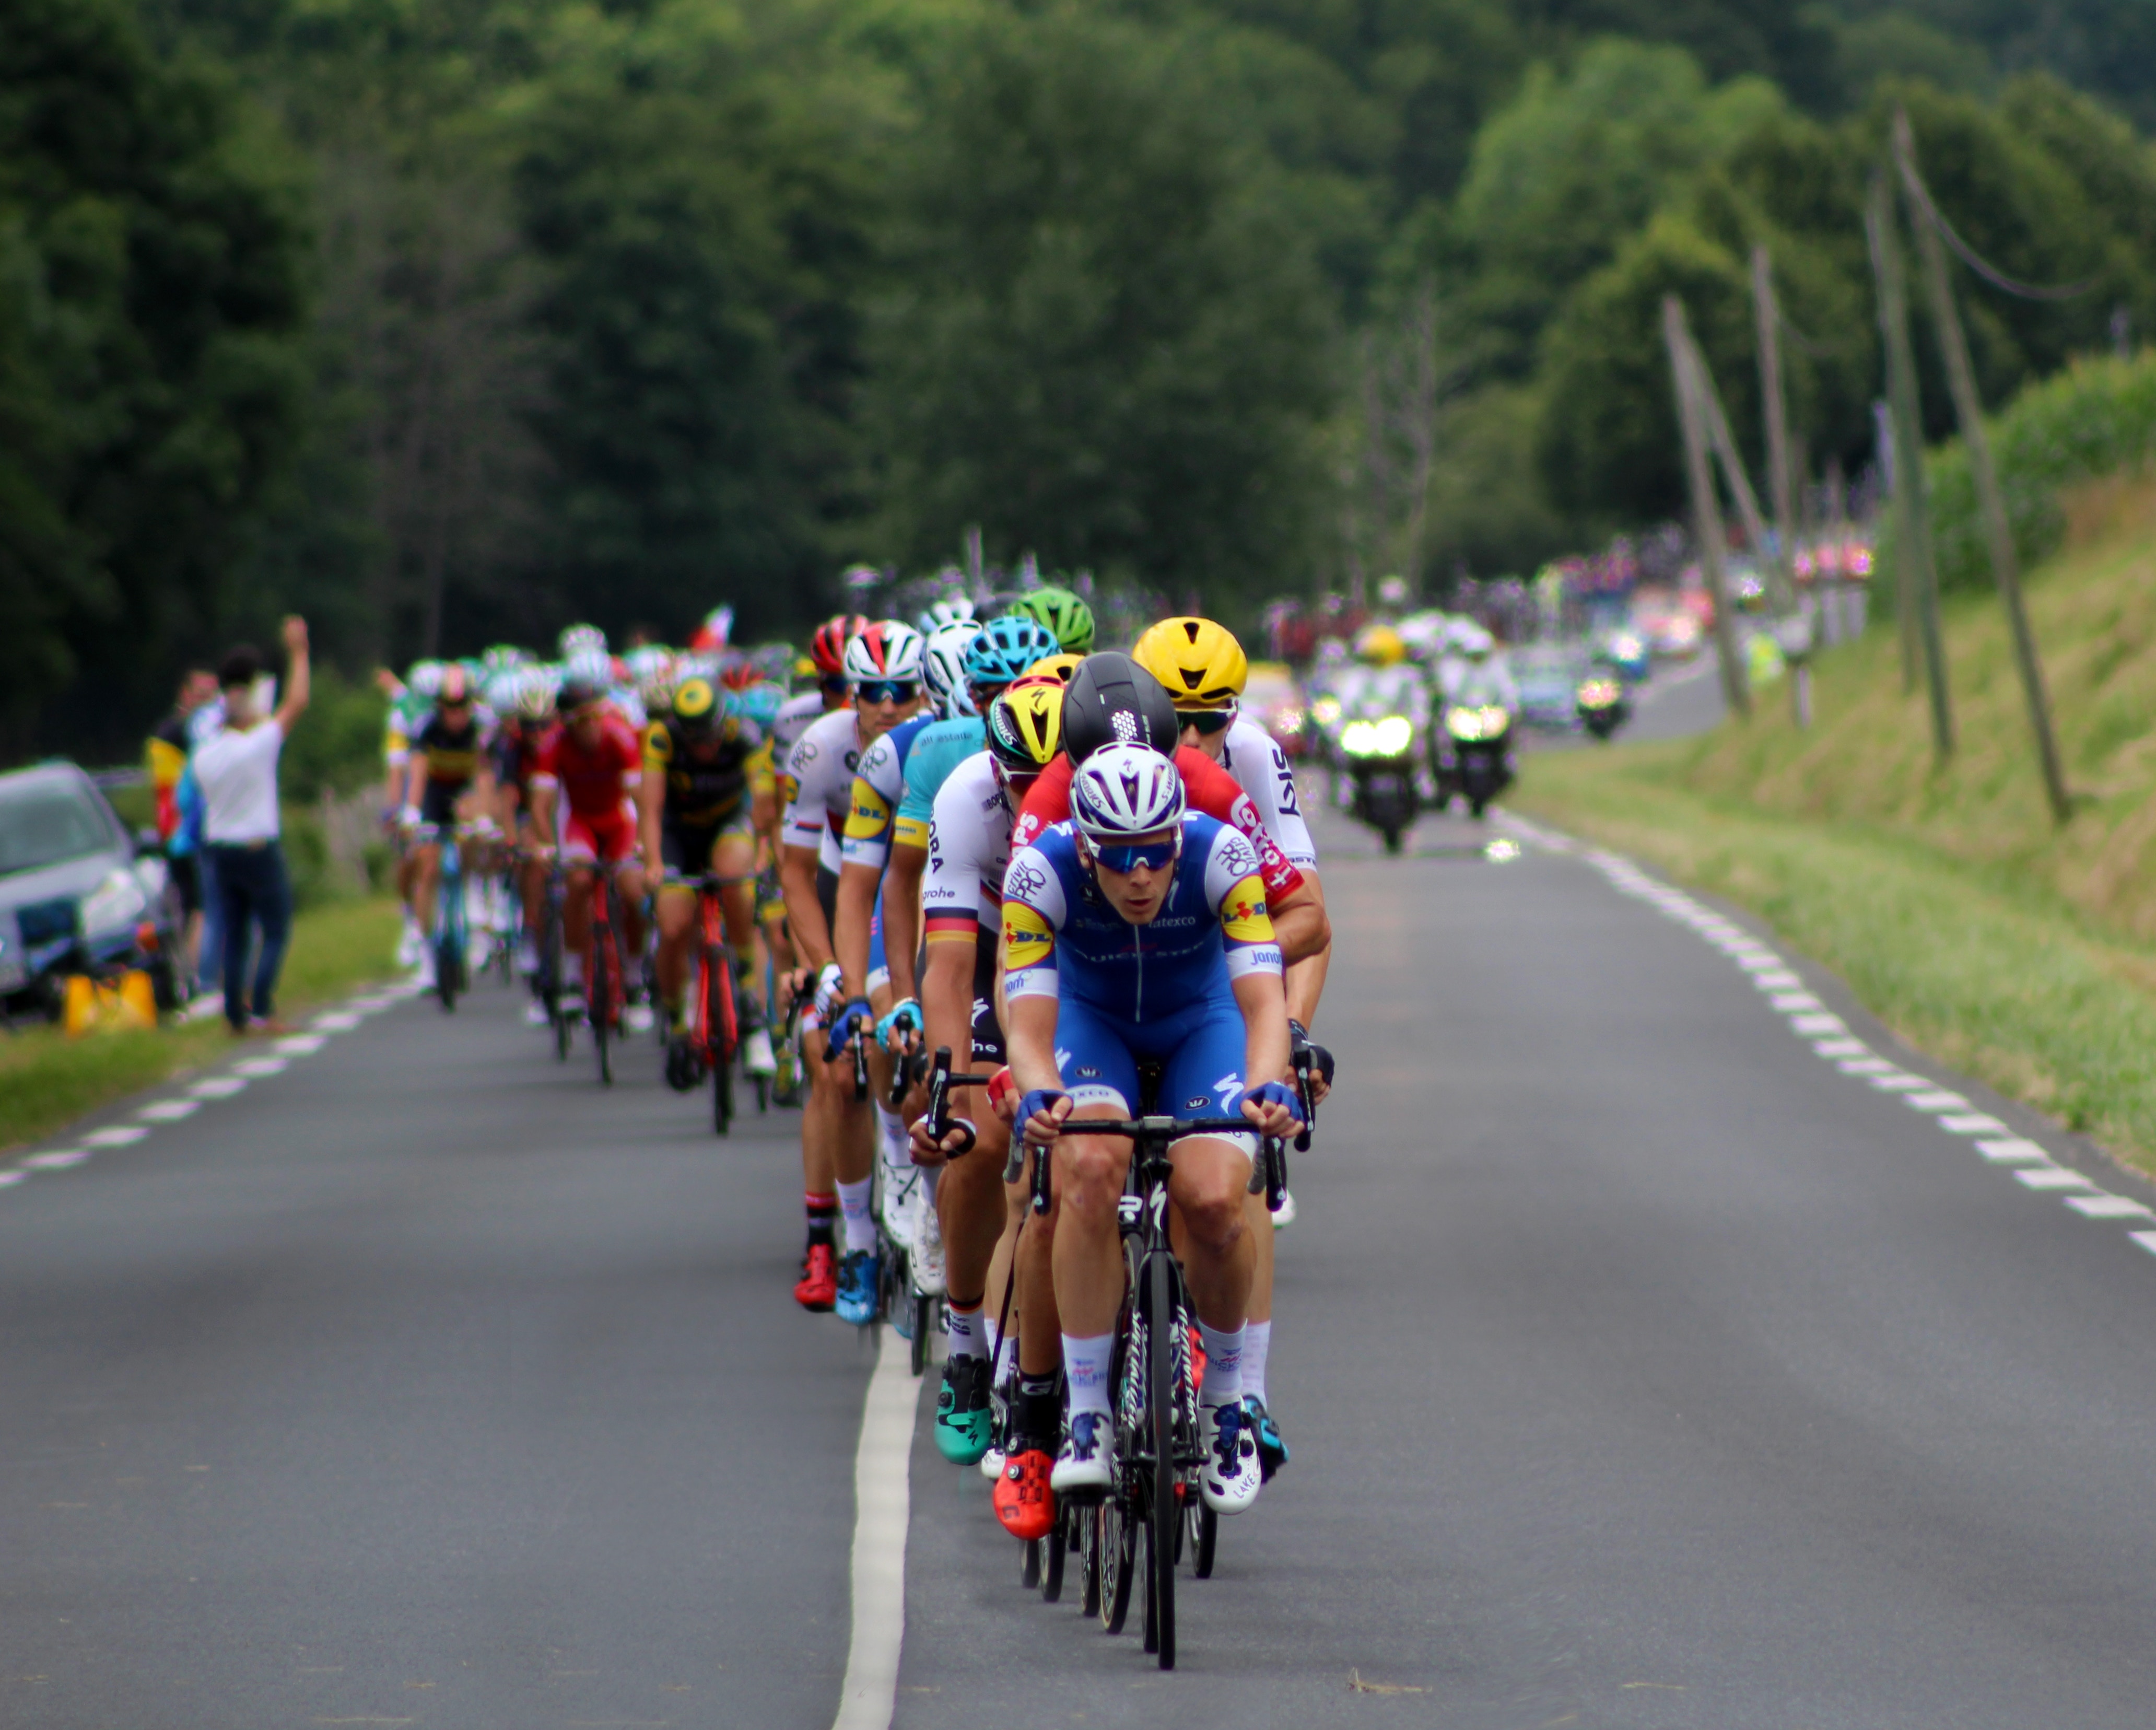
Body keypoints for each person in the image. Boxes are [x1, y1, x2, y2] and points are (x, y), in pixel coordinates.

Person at [1003, 742, 1303, 1524]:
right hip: (1090, 1021)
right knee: (1091, 1171)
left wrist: (1271, 1084)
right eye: (1120, 858)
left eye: (1155, 854)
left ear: (1178, 835)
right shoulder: (1040, 870)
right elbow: (1028, 1031)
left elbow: (1264, 1004)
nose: (1140, 876)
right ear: (1087, 844)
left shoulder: (1221, 852)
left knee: (1211, 1201)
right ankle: (1088, 1415)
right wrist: (1039, 1094)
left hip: (1201, 1021)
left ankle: (1231, 1397)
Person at [1133, 616, 1333, 1478]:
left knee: (1237, 1161)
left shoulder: (1250, 758)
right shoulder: (1111, 765)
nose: (1193, 736)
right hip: (1121, 978)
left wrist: (1285, 1033)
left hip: (1226, 968)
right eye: (1174, 715)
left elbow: (1313, 922)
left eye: (1210, 715)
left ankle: (1242, 1390)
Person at [907, 680, 1064, 1500]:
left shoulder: (1110, 784)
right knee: (984, 1138)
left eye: (1050, 777)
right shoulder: (970, 796)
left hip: (1086, 945)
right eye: (1017, 783)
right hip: (1003, 939)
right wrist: (950, 1090)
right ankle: (968, 1344)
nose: (1033, 798)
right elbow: (952, 962)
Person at [778, 621, 926, 1318]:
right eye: (872, 692)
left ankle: (914, 1168)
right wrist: (827, 969)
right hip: (843, 896)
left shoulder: (939, 744)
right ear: (849, 694)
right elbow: (796, 875)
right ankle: (859, 1246)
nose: (888, 706)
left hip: (917, 901)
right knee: (837, 1065)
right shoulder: (820, 749)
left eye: (904, 692)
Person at [641, 673, 779, 1080]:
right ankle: (676, 1016)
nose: (704, 747)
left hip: (727, 825)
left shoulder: (745, 734)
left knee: (736, 876)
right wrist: (652, 862)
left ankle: (748, 982)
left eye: (710, 737)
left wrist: (764, 852)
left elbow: (764, 804)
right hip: (678, 834)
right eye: (694, 740)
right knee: (673, 924)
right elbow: (650, 810)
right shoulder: (661, 738)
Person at [191, 618, 311, 1034]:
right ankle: (262, 1006)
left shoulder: (205, 755)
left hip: (220, 847)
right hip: (258, 845)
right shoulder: (256, 746)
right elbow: (296, 702)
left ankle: (234, 1015)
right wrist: (299, 652)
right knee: (276, 929)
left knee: (235, 933)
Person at [526, 679, 651, 1028]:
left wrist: (643, 841)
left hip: (619, 823)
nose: (591, 726)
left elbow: (639, 797)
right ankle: (571, 973)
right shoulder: (554, 745)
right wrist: (545, 843)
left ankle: (635, 976)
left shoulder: (619, 737)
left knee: (632, 889)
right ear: (566, 723)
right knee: (578, 881)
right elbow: (541, 803)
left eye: (595, 716)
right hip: (580, 822)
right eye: (581, 721)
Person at [399, 664, 497, 989]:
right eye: (449, 707)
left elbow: (484, 775)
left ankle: (471, 893)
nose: (456, 715)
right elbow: (418, 771)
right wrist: (412, 811)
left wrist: (484, 814)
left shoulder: (481, 728)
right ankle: (427, 959)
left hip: (465, 793)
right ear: (439, 706)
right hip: (434, 795)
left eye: (462, 706)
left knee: (472, 831)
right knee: (427, 868)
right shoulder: (426, 728)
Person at [146, 669, 220, 986]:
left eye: (213, 696)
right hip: (183, 836)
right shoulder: (171, 736)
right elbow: (170, 794)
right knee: (197, 909)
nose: (209, 703)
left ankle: (207, 974)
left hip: (208, 831)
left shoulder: (207, 731)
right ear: (185, 695)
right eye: (202, 695)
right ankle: (199, 979)